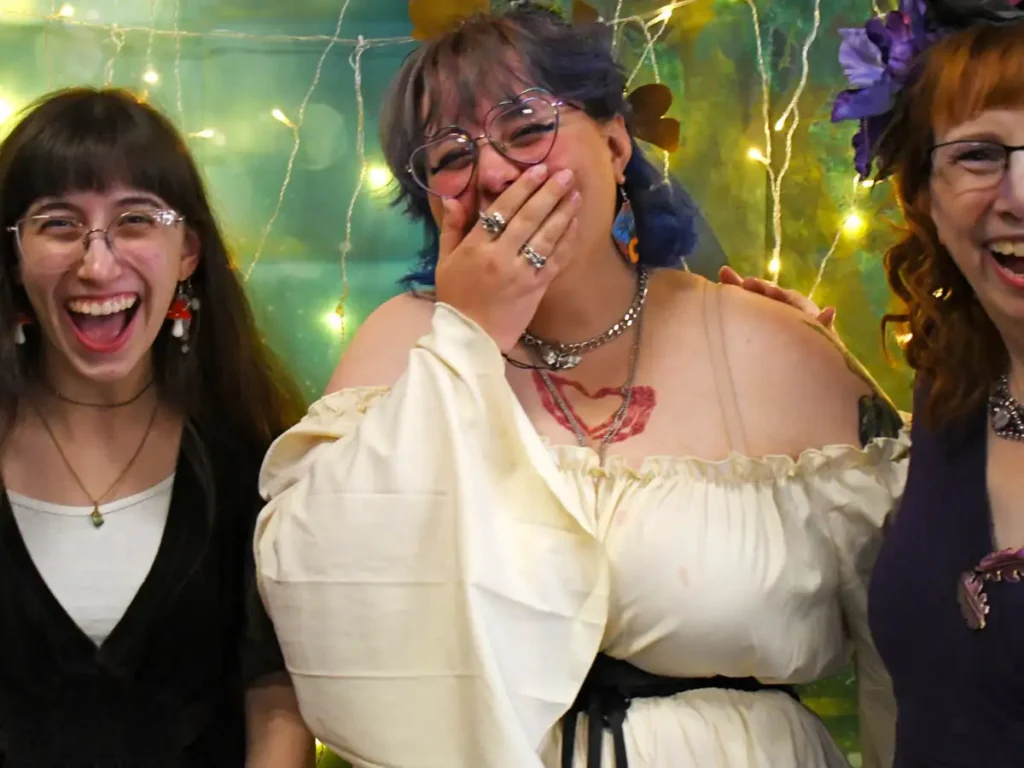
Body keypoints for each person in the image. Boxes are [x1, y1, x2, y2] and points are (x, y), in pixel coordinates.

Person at [253, 4, 909, 767]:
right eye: (450, 156)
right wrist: (467, 341)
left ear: (615, 140)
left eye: (526, 128)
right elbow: (328, 614)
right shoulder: (402, 344)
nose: (494, 173)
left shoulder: (767, 344)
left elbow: (911, 650)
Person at [723, 0, 1024, 764]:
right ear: (921, 191)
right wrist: (819, 374)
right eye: (980, 155)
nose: (1020, 196)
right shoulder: (954, 396)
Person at [0, 87, 314, 766]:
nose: (98, 263)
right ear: (13, 258)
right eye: (57, 223)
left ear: (189, 251)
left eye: (136, 219)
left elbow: (278, 695)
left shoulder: (257, 460)